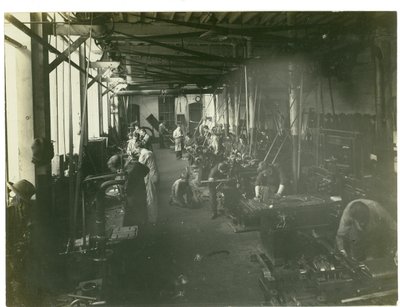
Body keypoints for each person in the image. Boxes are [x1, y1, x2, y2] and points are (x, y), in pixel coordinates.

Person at [6, 180, 37, 306]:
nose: (25, 206)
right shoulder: (8, 214)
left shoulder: (26, 211)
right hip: (8, 257)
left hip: (20, 256)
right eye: (23, 202)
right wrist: (11, 257)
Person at [107, 154, 149, 227]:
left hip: (134, 196)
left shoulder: (130, 170)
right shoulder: (132, 163)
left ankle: (141, 230)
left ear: (119, 166)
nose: (116, 172)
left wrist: (122, 177)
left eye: (115, 170)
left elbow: (126, 189)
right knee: (141, 212)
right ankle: (142, 225)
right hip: (140, 191)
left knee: (136, 215)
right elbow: (146, 169)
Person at [132, 142, 159, 224]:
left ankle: (152, 219)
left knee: (150, 198)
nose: (135, 151)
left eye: (135, 149)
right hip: (154, 175)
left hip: (151, 177)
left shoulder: (144, 154)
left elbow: (138, 166)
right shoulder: (147, 151)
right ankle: (154, 217)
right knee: (153, 197)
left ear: (139, 148)